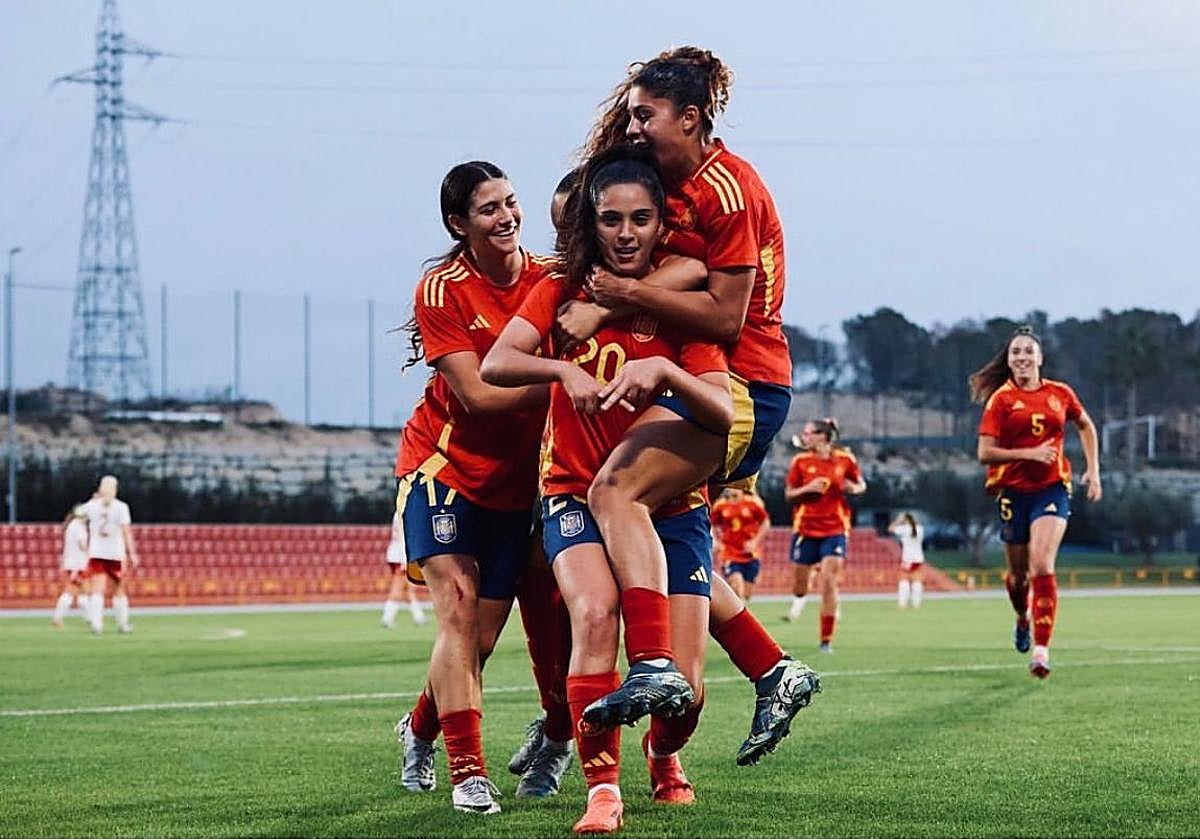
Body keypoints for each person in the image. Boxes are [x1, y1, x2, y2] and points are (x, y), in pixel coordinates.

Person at [482, 146, 733, 833]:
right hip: (571, 492)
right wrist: (562, 375)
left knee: (688, 696)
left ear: (661, 226)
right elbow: (499, 362)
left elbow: (722, 413)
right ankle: (602, 790)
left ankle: (663, 755)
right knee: (593, 615)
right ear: (591, 224)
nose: (625, 233)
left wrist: (662, 370)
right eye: (611, 219)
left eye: (641, 220)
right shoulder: (562, 288)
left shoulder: (678, 303)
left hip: (668, 509)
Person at [554, 46, 800, 733]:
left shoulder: (727, 191)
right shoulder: (677, 183)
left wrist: (617, 298)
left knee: (613, 493)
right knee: (665, 531)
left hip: (740, 379)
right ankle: (772, 668)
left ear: (689, 118)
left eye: (646, 115)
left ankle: (653, 661)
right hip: (712, 371)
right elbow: (685, 266)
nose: (634, 128)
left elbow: (725, 313)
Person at [389, 161, 558, 815]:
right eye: (489, 209)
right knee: (457, 614)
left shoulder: (550, 279)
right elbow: (481, 396)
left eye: (512, 202)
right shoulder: (442, 289)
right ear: (460, 224)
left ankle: (420, 728)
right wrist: (570, 383)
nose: (508, 216)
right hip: (445, 470)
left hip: (516, 491)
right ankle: (468, 774)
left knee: (477, 643)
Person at [970, 325, 1102, 678]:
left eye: (1028, 351)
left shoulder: (1060, 393)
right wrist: (1029, 454)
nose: (1022, 357)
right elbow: (984, 453)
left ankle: (1041, 652)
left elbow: (1086, 425)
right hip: (1013, 493)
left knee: (1042, 564)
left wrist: (1093, 470)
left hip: (1052, 488)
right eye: (1016, 352)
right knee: (1017, 578)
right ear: (1009, 361)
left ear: (1040, 357)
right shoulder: (1001, 400)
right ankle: (1022, 617)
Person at [784, 419, 866, 651]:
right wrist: (808, 490)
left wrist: (854, 488)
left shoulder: (845, 460)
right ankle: (803, 589)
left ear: (823, 436)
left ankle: (825, 640)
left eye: (808, 433)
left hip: (836, 529)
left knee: (829, 582)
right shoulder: (800, 461)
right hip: (805, 530)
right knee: (800, 587)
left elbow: (860, 483)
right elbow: (789, 495)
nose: (805, 437)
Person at [80, 475, 138, 635]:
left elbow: (78, 514)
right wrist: (132, 553)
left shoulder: (92, 505)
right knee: (119, 590)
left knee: (97, 589)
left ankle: (97, 624)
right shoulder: (121, 507)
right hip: (115, 553)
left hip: (96, 552)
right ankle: (122, 624)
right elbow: (126, 531)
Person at [710, 487, 769, 602]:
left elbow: (765, 522)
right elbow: (710, 523)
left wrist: (755, 541)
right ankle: (736, 617)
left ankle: (741, 612)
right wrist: (715, 540)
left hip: (750, 553)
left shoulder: (753, 503)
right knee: (737, 585)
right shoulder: (720, 506)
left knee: (747, 594)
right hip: (729, 552)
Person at [380, 510, 426, 628]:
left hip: (396, 553)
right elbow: (403, 538)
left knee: (407, 588)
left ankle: (419, 616)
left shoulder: (400, 512)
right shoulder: (405, 513)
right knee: (398, 587)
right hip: (400, 555)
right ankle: (387, 617)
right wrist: (404, 559)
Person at [51, 505, 89, 628]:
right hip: (77, 564)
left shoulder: (72, 526)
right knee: (71, 591)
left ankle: (90, 618)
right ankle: (58, 618)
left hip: (73, 563)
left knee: (82, 592)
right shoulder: (79, 527)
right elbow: (82, 545)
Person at [888, 512, 925, 609]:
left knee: (904, 581)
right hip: (918, 558)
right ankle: (916, 604)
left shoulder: (904, 529)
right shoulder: (920, 529)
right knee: (917, 582)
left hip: (907, 558)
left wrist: (898, 520)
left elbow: (890, 529)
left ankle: (902, 603)